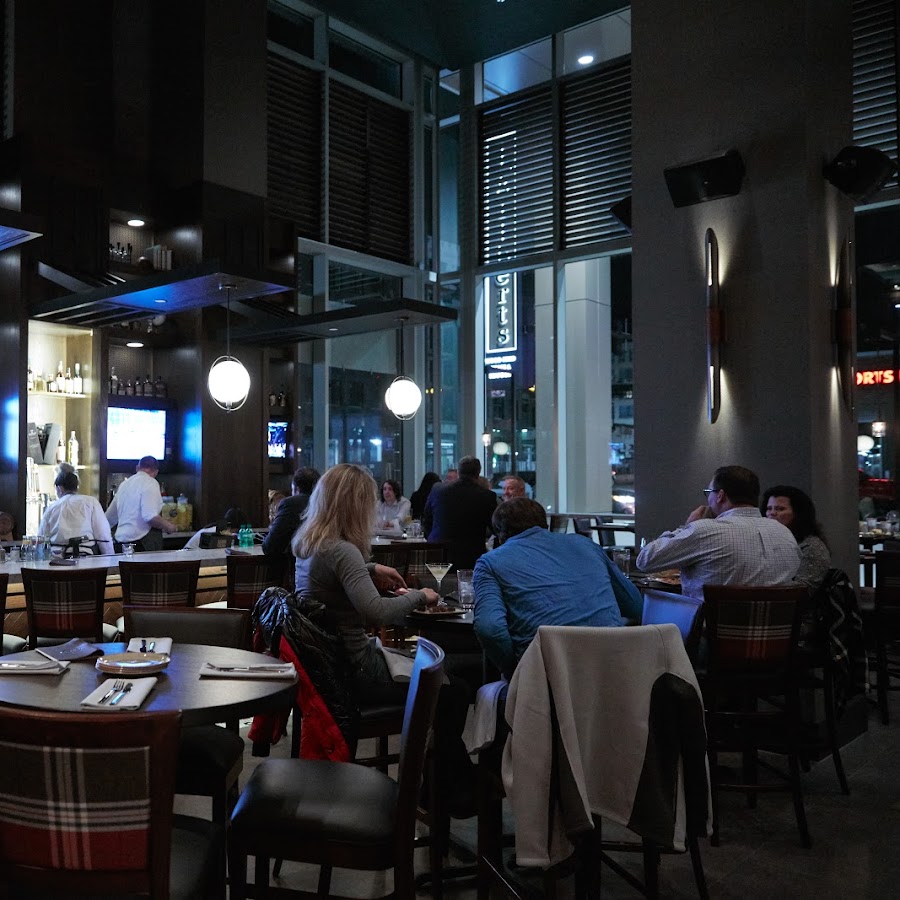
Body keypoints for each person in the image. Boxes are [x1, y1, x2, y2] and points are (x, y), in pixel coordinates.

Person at [294, 463, 475, 816]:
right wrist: (422, 595)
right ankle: (441, 790)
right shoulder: (343, 550)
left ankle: (444, 785)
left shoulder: (308, 544)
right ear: (355, 505)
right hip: (358, 672)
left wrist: (370, 569)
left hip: (329, 671)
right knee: (455, 688)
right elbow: (376, 612)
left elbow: (329, 581)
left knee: (447, 679)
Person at [474, 497, 643, 679]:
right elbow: (635, 605)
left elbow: (490, 629)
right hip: (615, 675)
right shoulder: (586, 545)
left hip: (545, 680)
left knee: (489, 691)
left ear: (500, 535)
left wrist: (513, 670)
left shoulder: (491, 562)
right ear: (545, 524)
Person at [636, 465, 801, 599]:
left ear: (720, 496)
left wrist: (686, 527)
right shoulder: (785, 533)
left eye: (709, 493)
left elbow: (645, 561)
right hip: (776, 629)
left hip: (708, 630)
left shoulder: (704, 530)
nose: (708, 499)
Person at [422, 455, 498, 570]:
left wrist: (433, 539)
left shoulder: (438, 489)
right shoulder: (487, 496)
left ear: (458, 471)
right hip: (470, 554)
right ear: (478, 473)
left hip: (437, 550)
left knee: (438, 580)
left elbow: (427, 519)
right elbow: (495, 526)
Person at [762, 485, 831, 592]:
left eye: (780, 509)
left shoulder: (811, 546)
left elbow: (803, 589)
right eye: (769, 508)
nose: (772, 513)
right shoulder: (769, 540)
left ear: (798, 514)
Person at [105, 455, 177, 551]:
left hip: (121, 542)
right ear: (156, 472)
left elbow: (109, 517)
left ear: (137, 468)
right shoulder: (151, 482)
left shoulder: (124, 484)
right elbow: (150, 517)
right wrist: (169, 526)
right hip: (142, 544)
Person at [38, 470, 114, 555]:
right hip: (86, 555)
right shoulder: (91, 502)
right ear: (76, 487)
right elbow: (103, 535)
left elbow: (41, 539)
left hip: (57, 557)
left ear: (59, 488)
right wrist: (110, 558)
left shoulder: (51, 508)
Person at [263, 467, 320, 557]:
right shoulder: (326, 503)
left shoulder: (290, 504)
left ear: (296, 489)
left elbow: (270, 547)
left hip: (295, 562)